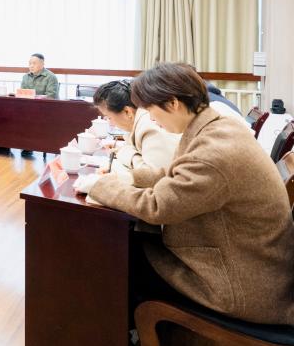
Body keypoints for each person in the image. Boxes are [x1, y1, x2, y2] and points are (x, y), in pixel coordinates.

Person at [78, 63, 294, 325]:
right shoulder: (217, 125)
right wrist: (131, 178)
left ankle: (123, 342)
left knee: (116, 256)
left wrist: (101, 186)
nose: (150, 119)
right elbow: (178, 173)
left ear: (173, 103)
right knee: (131, 241)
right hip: (253, 264)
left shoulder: (214, 151)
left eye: (150, 110)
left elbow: (158, 207)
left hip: (239, 283)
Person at [93, 80, 179, 172]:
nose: (110, 123)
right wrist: (121, 152)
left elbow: (151, 174)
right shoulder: (141, 120)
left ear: (127, 112)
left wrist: (126, 153)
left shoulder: (149, 127)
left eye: (109, 117)